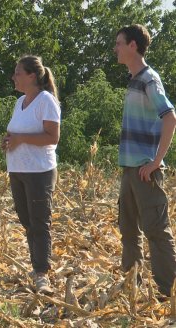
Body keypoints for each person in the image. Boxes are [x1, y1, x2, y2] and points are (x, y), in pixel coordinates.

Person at [114, 24, 176, 297]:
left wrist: (155, 162)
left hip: (145, 171)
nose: (115, 48)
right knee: (128, 230)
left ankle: (169, 291)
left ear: (133, 46)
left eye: (119, 43)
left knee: (156, 231)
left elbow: (170, 118)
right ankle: (133, 288)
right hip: (130, 169)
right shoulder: (134, 79)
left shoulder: (149, 79)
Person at [2, 55, 61, 295]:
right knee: (27, 221)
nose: (14, 77)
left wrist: (21, 139)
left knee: (40, 222)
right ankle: (37, 266)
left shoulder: (46, 101)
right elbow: (14, 132)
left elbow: (52, 137)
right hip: (17, 170)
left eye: (18, 72)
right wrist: (7, 141)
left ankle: (42, 273)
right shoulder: (20, 102)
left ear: (32, 76)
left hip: (39, 172)